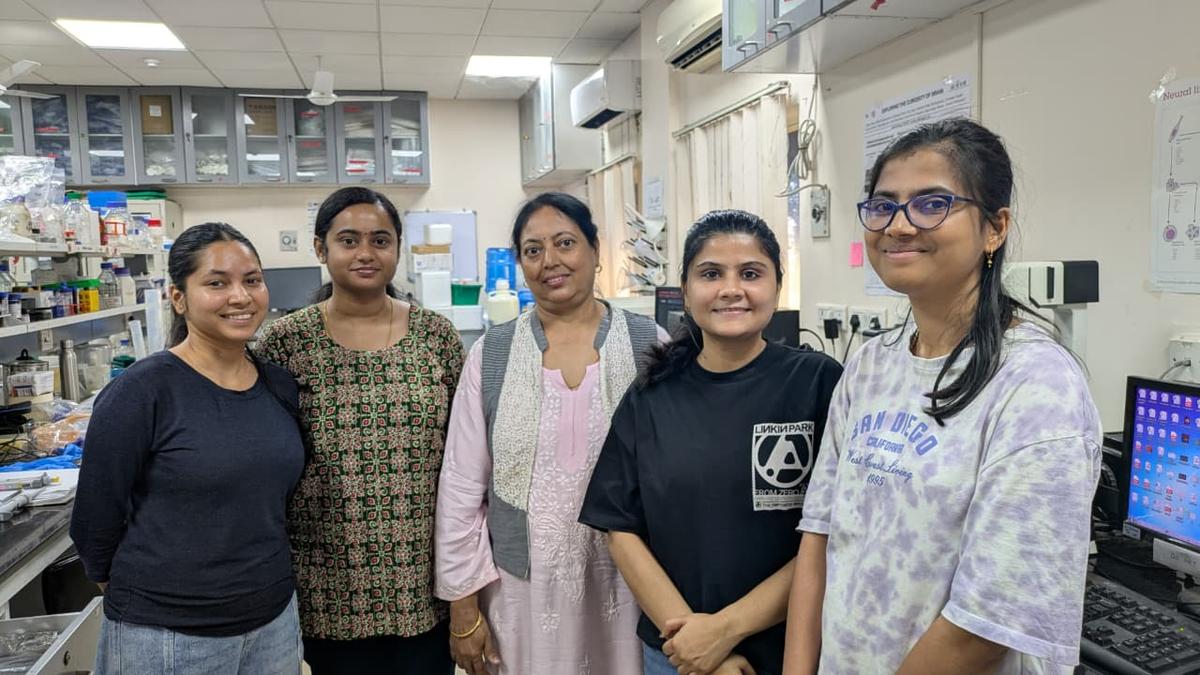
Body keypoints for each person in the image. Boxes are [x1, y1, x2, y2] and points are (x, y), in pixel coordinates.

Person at [783, 118, 1102, 675]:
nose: (899, 226)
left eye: (932, 203)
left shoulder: (1035, 385)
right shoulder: (869, 364)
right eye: (883, 205)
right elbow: (821, 537)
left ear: (994, 228)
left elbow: (985, 624)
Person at [579, 209, 842, 675]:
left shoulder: (818, 384)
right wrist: (695, 644)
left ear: (776, 287)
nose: (731, 289)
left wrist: (724, 631)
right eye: (711, 274)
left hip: (793, 648)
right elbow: (619, 528)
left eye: (751, 273)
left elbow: (831, 535)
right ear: (685, 290)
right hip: (676, 653)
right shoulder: (652, 394)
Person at [434, 192, 661, 675]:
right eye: (533, 250)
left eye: (565, 243)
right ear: (519, 263)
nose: (550, 261)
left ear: (596, 250)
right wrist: (462, 605)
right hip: (520, 589)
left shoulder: (651, 345)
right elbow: (460, 487)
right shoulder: (491, 355)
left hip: (631, 584)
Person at [71, 222, 305, 674]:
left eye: (251, 280)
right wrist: (159, 599)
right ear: (179, 298)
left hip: (272, 622)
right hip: (167, 635)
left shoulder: (278, 385)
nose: (240, 296)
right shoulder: (143, 391)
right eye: (217, 283)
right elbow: (94, 521)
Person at [256, 187, 465, 675]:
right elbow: (264, 456)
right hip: (325, 586)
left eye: (380, 240)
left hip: (424, 581)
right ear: (320, 249)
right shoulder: (285, 341)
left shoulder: (436, 336)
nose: (366, 253)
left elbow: (466, 461)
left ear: (398, 247)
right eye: (348, 240)